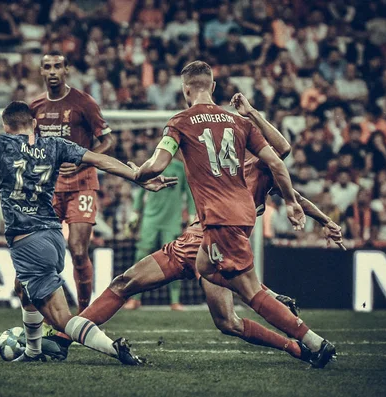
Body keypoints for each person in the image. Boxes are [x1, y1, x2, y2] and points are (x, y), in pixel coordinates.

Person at [0, 101, 177, 364]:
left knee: (61, 317)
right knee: (22, 288)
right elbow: (100, 160)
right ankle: (33, 351)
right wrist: (138, 176)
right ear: (34, 124)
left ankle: (113, 349)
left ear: (6, 126)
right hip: (52, 235)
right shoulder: (54, 144)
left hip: (27, 239)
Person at [133, 61, 336, 367]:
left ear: (186, 89)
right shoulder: (246, 168)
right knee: (227, 318)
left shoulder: (260, 170)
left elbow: (283, 158)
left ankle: (310, 340)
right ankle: (279, 310)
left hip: (224, 232)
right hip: (211, 235)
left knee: (242, 297)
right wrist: (317, 215)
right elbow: (283, 163)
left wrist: (252, 113)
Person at [29, 51, 116, 312]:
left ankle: (84, 311)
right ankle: (46, 312)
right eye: (47, 67)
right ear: (41, 72)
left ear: (67, 70)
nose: (53, 71)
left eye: (58, 66)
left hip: (82, 184)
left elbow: (108, 141)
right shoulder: (35, 108)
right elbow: (29, 145)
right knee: (43, 253)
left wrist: (83, 160)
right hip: (49, 189)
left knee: (78, 250)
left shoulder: (84, 103)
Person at [123, 157, 195, 311]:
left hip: (171, 221)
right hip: (150, 219)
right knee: (140, 257)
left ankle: (175, 301)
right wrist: (135, 214)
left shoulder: (181, 168)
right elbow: (141, 187)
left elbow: (189, 192)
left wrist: (191, 216)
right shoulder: (151, 163)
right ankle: (135, 298)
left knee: (175, 259)